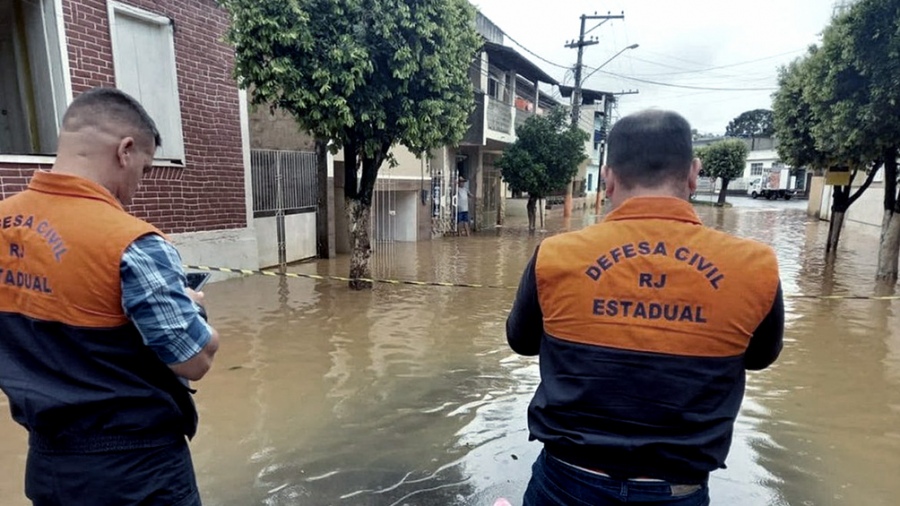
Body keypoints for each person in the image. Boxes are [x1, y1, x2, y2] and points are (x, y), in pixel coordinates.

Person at [506, 110, 784, 506]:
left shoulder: (555, 256)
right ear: (693, 174)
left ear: (608, 178)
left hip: (567, 482)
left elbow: (521, 341)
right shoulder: (754, 266)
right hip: (678, 490)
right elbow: (758, 357)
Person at [0, 87, 220, 506]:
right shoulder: (131, 242)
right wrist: (194, 310)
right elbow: (194, 359)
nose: (139, 185)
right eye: (146, 168)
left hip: (48, 468)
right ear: (125, 150)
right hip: (138, 473)